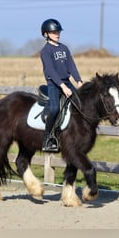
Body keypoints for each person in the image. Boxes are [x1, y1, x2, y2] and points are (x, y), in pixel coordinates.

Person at [40, 18, 83, 152]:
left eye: (58, 31)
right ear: (46, 34)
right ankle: (47, 138)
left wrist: (79, 81)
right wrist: (62, 86)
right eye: (53, 32)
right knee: (54, 110)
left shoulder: (64, 48)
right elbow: (51, 70)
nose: (57, 34)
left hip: (67, 81)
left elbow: (71, 65)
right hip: (54, 84)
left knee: (80, 104)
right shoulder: (46, 51)